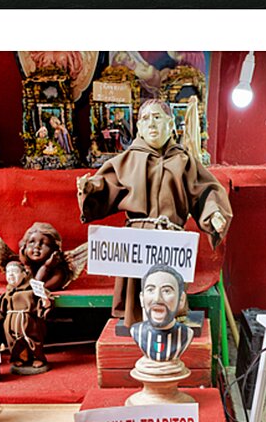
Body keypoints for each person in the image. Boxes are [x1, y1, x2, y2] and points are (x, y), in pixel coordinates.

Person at [77, 98, 232, 327]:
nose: (151, 124)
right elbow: (107, 184)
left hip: (171, 239)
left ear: (170, 124)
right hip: (138, 239)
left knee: (169, 288)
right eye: (145, 119)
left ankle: (170, 323)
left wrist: (214, 214)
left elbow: (205, 190)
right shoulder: (128, 160)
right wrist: (89, 188)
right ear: (139, 127)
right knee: (140, 293)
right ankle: (138, 323)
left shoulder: (184, 161)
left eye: (157, 117)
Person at [0, 259, 52, 372]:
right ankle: (21, 358)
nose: (11, 275)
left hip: (29, 322)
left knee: (32, 340)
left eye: (15, 272)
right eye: (8, 272)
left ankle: (37, 357)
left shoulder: (32, 289)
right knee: (14, 342)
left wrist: (46, 302)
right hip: (10, 324)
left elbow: (46, 298)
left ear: (24, 274)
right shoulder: (8, 293)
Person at [130, 264, 193, 362]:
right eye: (151, 290)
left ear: (181, 299)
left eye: (166, 291)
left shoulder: (186, 334)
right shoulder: (136, 331)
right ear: (142, 298)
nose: (157, 299)